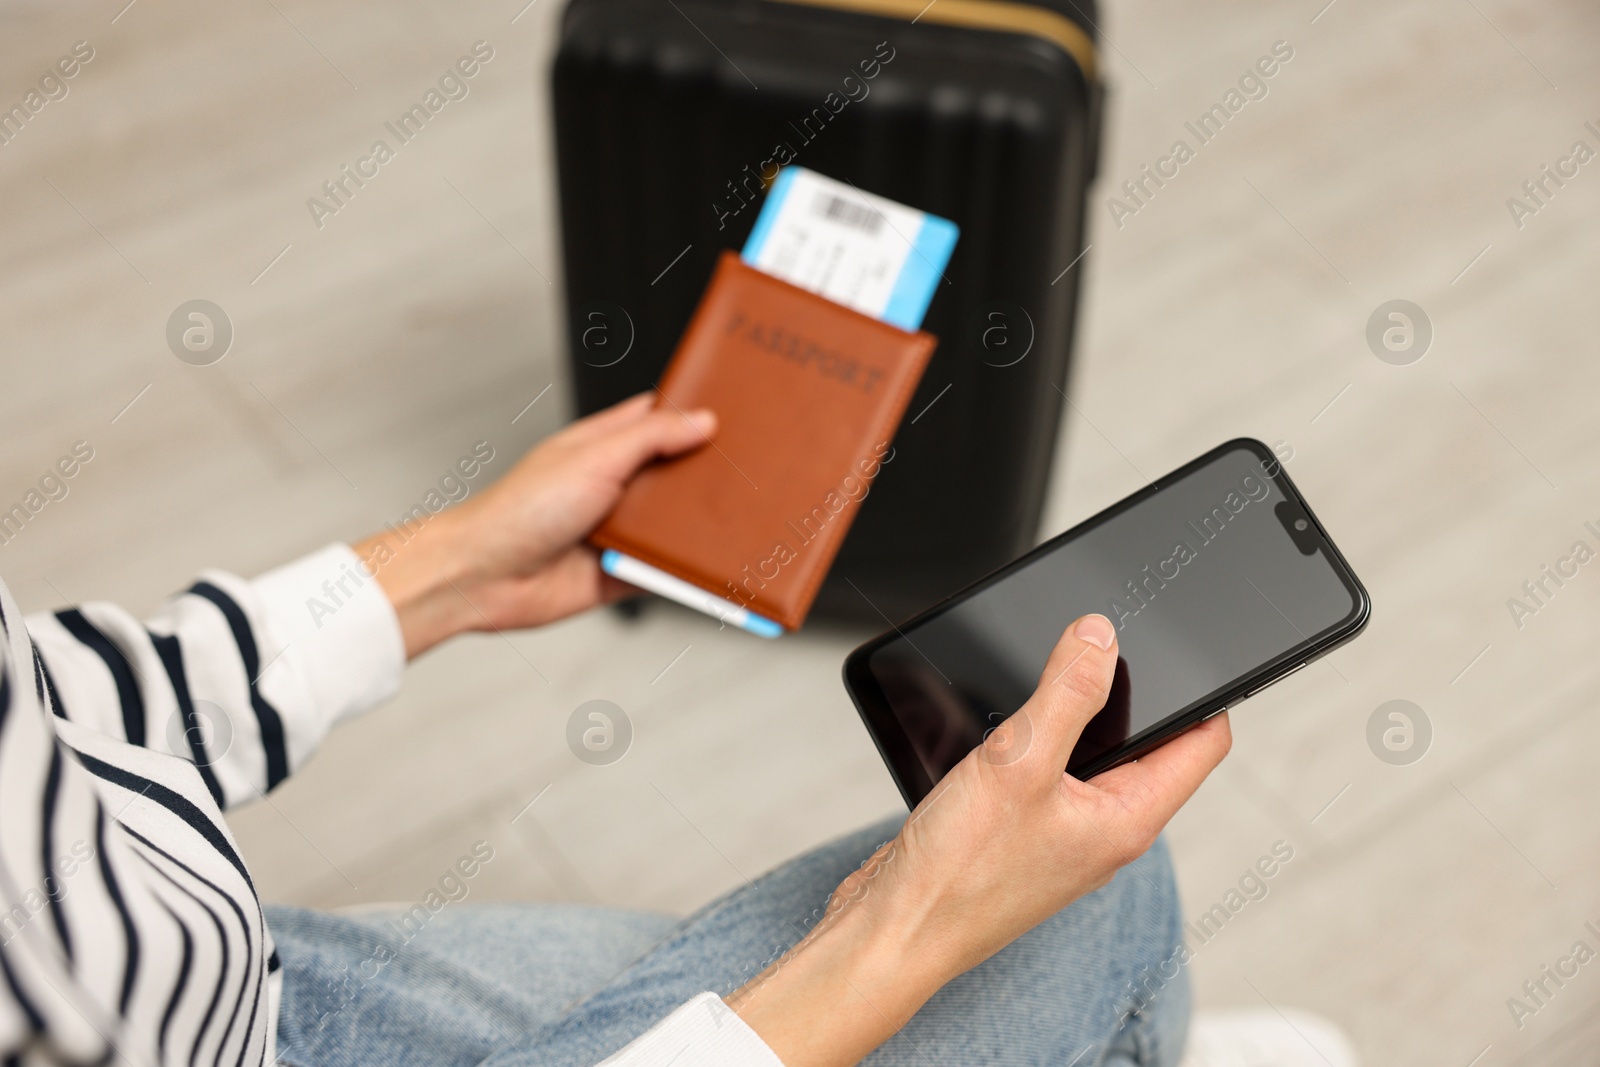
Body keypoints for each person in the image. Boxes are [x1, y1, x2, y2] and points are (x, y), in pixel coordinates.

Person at [0, 393, 1230, 1066]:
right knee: (1094, 913)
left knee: (1050, 916)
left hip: (228, 985)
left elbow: (35, 725)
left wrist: (448, 568)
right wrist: (898, 933)